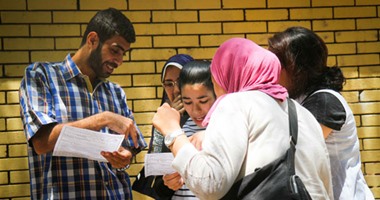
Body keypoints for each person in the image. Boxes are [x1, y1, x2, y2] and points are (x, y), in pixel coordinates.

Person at [152, 38, 334, 200]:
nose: (217, 89)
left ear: (229, 75)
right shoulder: (301, 112)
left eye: (216, 80)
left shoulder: (235, 103)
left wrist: (173, 132)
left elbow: (210, 185)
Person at [19, 8, 147, 199]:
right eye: (115, 51)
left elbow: (131, 144)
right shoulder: (41, 75)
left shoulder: (115, 92)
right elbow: (41, 142)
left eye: (123, 54)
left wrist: (126, 157)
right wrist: (103, 119)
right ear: (93, 40)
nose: (119, 61)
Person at [268, 26, 375, 200]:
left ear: (297, 67)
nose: (271, 70)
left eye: (277, 63)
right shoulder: (302, 99)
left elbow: (293, 150)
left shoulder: (324, 101)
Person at [154, 60, 216, 199]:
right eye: (187, 102)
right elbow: (158, 188)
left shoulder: (228, 127)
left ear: (217, 93)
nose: (195, 110)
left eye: (203, 101)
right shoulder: (178, 128)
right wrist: (169, 183)